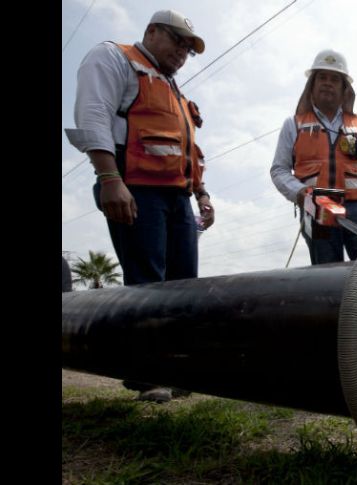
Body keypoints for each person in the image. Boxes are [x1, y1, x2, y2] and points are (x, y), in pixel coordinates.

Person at [64, 9, 214, 403]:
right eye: (176, 41)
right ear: (151, 31)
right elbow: (92, 114)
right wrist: (109, 178)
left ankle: (179, 369)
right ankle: (146, 373)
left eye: (188, 48)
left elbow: (188, 150)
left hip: (177, 197)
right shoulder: (115, 58)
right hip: (136, 188)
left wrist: (201, 194)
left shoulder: (174, 90)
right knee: (148, 281)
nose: (182, 52)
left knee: (184, 287)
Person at [270, 49, 357, 265]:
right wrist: (299, 193)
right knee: (326, 272)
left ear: (344, 88)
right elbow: (279, 170)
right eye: (322, 78)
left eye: (334, 79)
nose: (328, 83)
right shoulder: (294, 124)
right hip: (316, 207)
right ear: (312, 85)